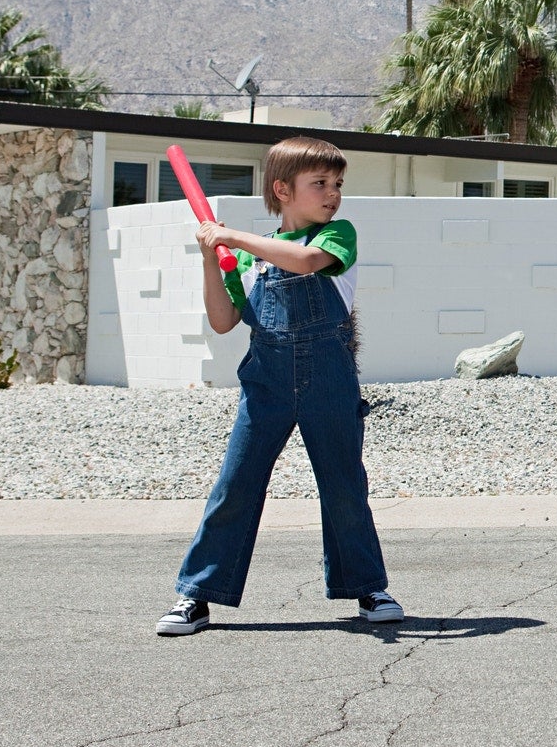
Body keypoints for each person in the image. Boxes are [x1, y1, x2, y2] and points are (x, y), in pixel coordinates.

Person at [156, 135, 401, 635]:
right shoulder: (242, 261)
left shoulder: (334, 238)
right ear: (282, 190)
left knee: (343, 486)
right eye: (320, 184)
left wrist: (234, 236)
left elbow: (304, 264)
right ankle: (198, 594)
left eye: (337, 184)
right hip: (264, 385)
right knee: (235, 486)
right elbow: (224, 321)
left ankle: (368, 587)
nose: (333, 193)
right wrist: (212, 256)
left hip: (330, 383)